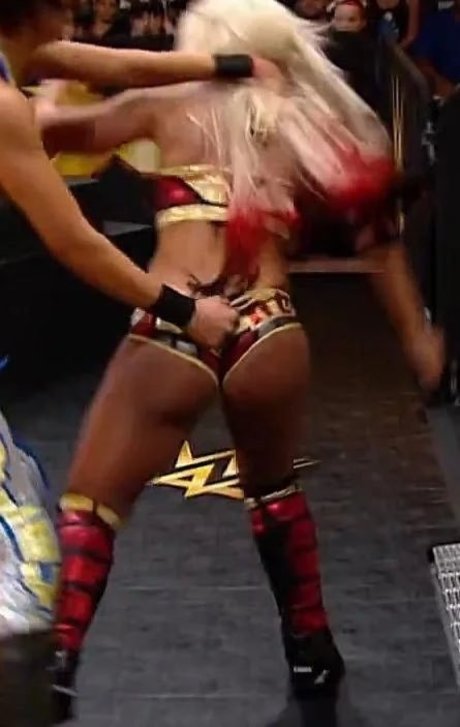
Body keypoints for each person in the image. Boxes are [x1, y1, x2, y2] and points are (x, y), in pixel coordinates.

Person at [39, 0, 444, 722]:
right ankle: (310, 645)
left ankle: (58, 662)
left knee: (90, 504)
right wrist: (417, 337)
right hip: (268, 323)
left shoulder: (168, 102)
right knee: (274, 490)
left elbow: (45, 135)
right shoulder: (303, 125)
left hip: (180, 318)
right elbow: (378, 241)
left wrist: (52, 82)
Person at [0, 1, 278, 723]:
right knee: (26, 578)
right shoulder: (5, 105)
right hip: (224, 313)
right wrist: (186, 310)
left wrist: (234, 62)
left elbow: (121, 66)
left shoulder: (25, 58)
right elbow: (74, 240)